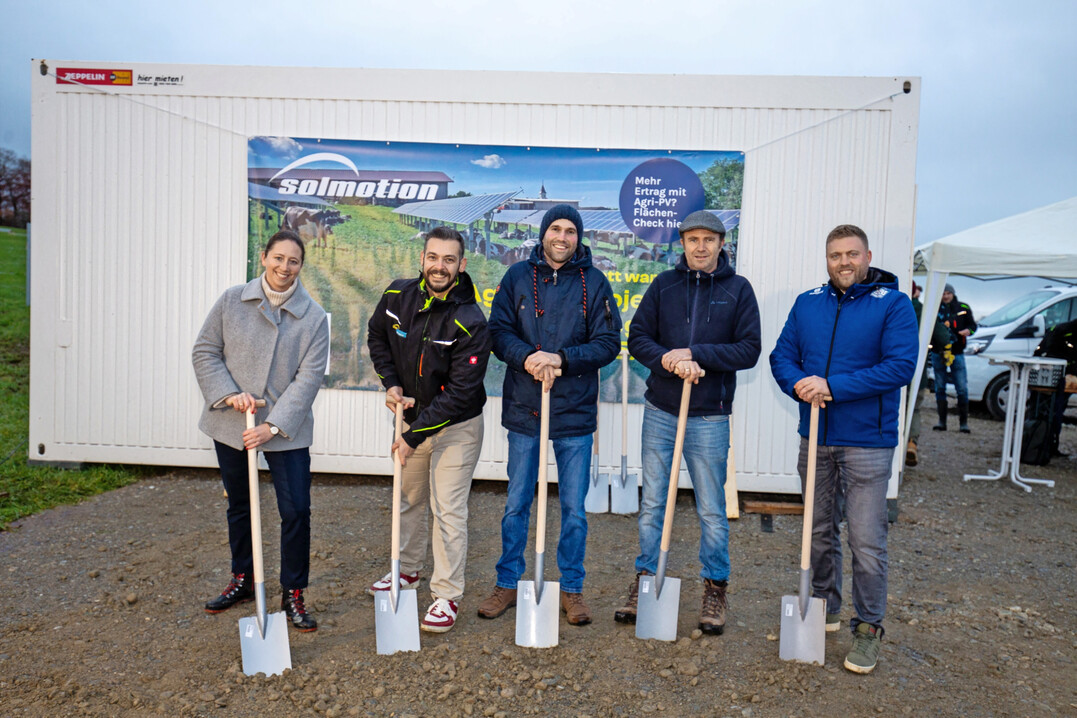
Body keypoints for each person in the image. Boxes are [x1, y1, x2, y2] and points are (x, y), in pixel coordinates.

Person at [769, 224, 918, 675]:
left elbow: (899, 367)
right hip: (814, 437)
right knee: (817, 531)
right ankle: (825, 607)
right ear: (827, 258)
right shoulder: (807, 302)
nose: (844, 262)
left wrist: (831, 387)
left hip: (866, 443)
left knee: (867, 541)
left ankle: (869, 627)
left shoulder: (893, 304)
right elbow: (781, 355)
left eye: (852, 254)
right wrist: (798, 384)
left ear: (867, 256)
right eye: (836, 255)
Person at [615, 210, 761, 635]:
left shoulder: (738, 290)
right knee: (652, 504)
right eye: (693, 239)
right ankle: (645, 580)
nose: (700, 246)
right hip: (662, 411)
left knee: (712, 510)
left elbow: (748, 349)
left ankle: (715, 588)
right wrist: (667, 360)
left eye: (708, 239)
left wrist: (695, 354)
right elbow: (638, 338)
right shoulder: (664, 286)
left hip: (709, 417)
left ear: (721, 243)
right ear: (682, 243)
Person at [479, 204, 622, 626]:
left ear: (579, 238)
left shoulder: (594, 283)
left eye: (570, 231)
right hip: (526, 408)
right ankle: (507, 582)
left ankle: (572, 589)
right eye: (555, 229)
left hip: (574, 413)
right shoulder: (517, 278)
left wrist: (559, 358)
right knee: (516, 503)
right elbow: (498, 332)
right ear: (543, 234)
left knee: (575, 509)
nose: (562, 237)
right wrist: (528, 358)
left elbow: (608, 342)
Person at [193, 229, 329, 632]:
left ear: (301, 266)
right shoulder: (232, 301)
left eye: (294, 261)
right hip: (233, 422)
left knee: (296, 510)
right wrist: (228, 394)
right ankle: (243, 579)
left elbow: (309, 378)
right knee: (240, 504)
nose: (285, 267)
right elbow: (205, 351)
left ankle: (293, 593)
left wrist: (273, 425)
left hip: (286, 429)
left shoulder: (314, 317)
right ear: (264, 257)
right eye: (278, 258)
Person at [365, 226, 491, 633]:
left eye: (449, 260)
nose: (440, 266)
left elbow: (458, 395)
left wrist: (410, 436)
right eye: (433, 257)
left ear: (461, 265)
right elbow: (377, 337)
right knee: (410, 499)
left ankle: (446, 595)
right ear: (422, 258)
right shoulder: (396, 297)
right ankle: (407, 571)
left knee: (448, 508)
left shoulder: (471, 321)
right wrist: (391, 382)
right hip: (411, 419)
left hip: (457, 428)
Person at [906, 281, 950, 466]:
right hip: (916, 372)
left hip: (885, 374)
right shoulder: (922, 310)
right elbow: (942, 337)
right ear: (916, 291)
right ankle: (911, 444)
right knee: (913, 409)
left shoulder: (884, 304)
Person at [931, 284, 977, 433]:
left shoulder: (963, 307)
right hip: (938, 352)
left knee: (962, 388)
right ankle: (941, 422)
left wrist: (967, 331)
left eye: (948, 293)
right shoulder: (933, 308)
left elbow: (973, 326)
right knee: (940, 388)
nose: (945, 296)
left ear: (953, 293)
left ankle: (963, 423)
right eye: (943, 293)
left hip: (957, 352)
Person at [1034, 317, 1077, 457]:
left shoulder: (1060, 328)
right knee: (1053, 411)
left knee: (1048, 411)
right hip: (1058, 377)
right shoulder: (1066, 331)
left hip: (1048, 375)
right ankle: (1045, 446)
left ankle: (1044, 445)